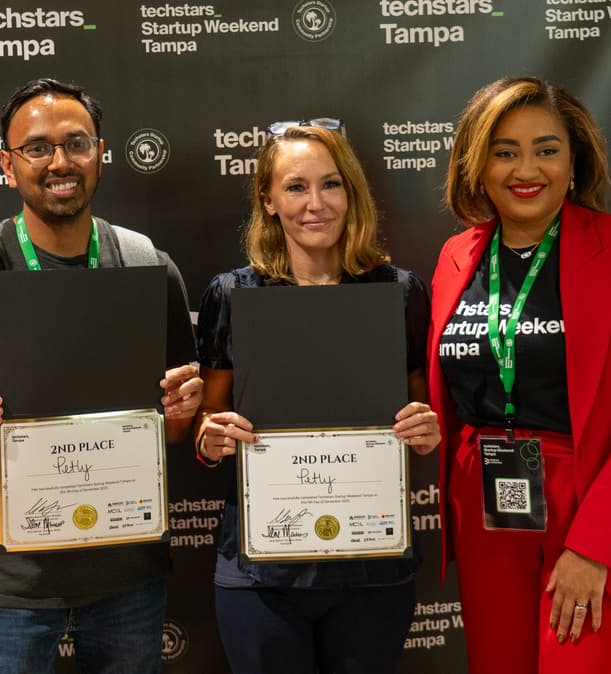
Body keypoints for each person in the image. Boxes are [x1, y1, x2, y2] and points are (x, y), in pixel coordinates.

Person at [430, 76, 611, 674]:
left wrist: (593, 547)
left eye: (546, 149)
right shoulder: (456, 256)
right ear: (477, 165)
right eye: (504, 151)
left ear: (573, 160)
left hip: (595, 502)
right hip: (487, 504)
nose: (526, 169)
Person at [0, 78, 203, 674]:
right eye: (37, 148)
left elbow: (175, 431)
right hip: (13, 577)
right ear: (7, 165)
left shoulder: (149, 267)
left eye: (76, 143)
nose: (59, 162)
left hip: (129, 572)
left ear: (100, 152)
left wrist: (182, 412)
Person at [193, 122, 441, 674]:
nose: (316, 204)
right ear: (269, 200)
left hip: (372, 566)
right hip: (262, 571)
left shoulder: (398, 292)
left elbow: (422, 418)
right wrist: (211, 438)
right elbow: (207, 423)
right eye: (295, 187)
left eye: (331, 184)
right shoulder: (233, 294)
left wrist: (426, 431)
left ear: (351, 192)